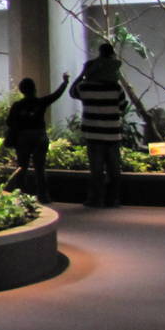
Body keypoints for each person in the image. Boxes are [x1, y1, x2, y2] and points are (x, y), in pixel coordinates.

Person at [70, 44, 127, 208]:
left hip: (93, 135)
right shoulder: (116, 88)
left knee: (96, 170)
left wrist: (83, 73)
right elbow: (122, 106)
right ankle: (112, 199)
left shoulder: (85, 86)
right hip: (113, 134)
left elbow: (72, 92)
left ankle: (96, 199)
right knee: (114, 170)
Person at [5, 72, 69, 201]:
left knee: (22, 167)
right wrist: (65, 82)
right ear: (34, 89)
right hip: (39, 136)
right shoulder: (40, 102)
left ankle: (20, 196)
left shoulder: (17, 106)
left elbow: (9, 122)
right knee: (40, 167)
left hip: (23, 138)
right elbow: (56, 95)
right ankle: (43, 195)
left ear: (22, 90)